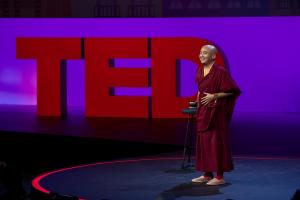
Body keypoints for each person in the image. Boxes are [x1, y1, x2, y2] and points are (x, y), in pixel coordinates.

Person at [192, 44, 241, 186]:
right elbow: (200, 90)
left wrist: (215, 96)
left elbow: (233, 91)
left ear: (213, 56)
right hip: (203, 111)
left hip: (216, 112)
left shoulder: (220, 71)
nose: (201, 55)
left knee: (216, 142)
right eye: (200, 52)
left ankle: (220, 176)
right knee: (204, 142)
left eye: (205, 53)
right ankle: (207, 174)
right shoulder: (200, 70)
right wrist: (196, 102)